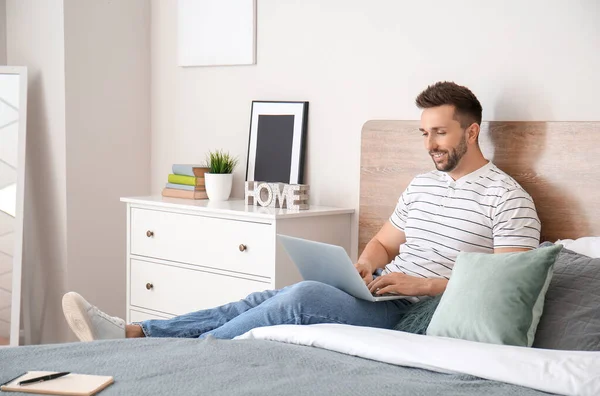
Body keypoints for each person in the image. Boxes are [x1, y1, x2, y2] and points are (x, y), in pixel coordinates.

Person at [62, 81, 540, 342]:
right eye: (424, 133)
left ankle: (197, 353)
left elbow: (503, 288)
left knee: (299, 299)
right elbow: (383, 242)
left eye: (439, 133)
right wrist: (366, 264)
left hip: (418, 310)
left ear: (472, 133)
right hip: (384, 292)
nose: (430, 144)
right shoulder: (421, 186)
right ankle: (137, 331)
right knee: (264, 299)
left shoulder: (507, 198)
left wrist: (423, 285)